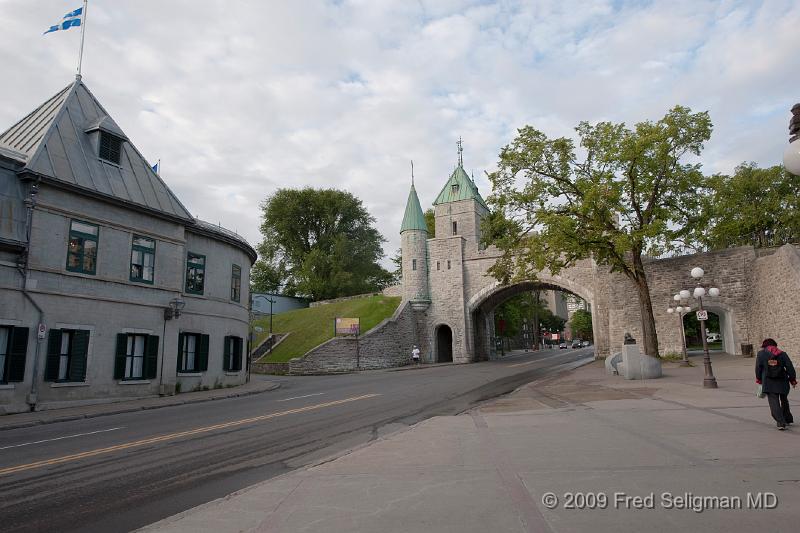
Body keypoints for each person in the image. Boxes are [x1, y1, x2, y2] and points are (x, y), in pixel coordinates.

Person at [755, 338, 797, 430]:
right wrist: (793, 380)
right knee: (784, 400)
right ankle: (787, 418)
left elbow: (758, 368)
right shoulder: (782, 354)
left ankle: (781, 422)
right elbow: (790, 367)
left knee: (774, 402)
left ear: (765, 346)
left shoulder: (761, 354)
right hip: (783, 381)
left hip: (768, 382)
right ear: (775, 345)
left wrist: (759, 379)